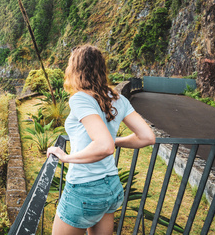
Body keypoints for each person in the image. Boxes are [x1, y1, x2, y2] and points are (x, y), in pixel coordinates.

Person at [47, 45, 156, 235]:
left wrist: (66, 157)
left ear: (75, 69)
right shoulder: (117, 99)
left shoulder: (80, 98)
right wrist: (115, 140)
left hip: (84, 188)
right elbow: (147, 137)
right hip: (111, 187)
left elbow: (104, 145)